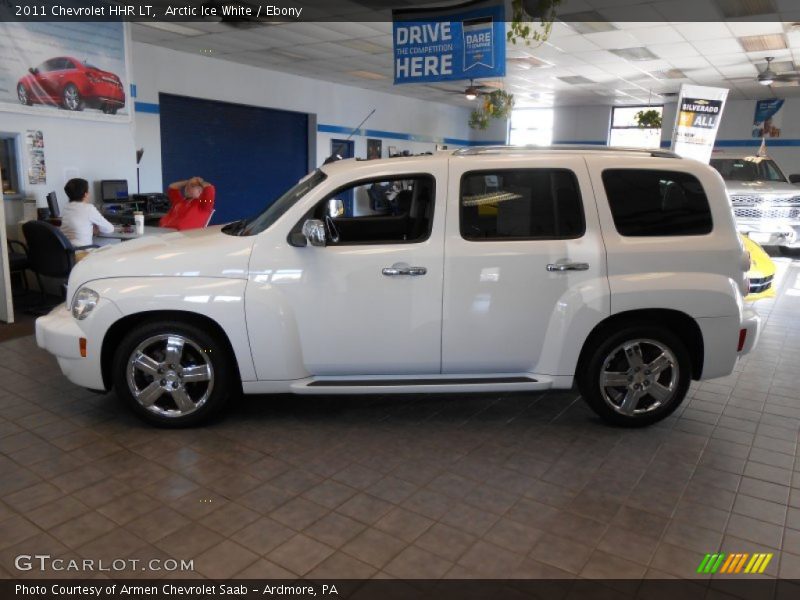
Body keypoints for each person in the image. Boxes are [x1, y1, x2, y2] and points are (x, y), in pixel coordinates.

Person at [60, 178, 114, 249]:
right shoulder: (88, 208)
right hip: (83, 251)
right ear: (85, 194)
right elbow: (109, 229)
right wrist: (96, 228)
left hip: (66, 250)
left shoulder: (66, 207)